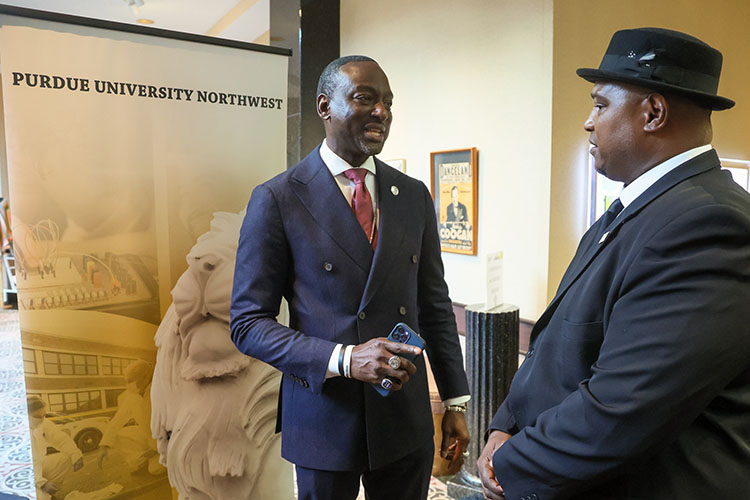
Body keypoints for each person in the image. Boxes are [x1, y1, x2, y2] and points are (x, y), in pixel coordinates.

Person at [478, 27, 750, 500]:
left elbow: (623, 408)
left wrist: (511, 462)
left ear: (653, 113)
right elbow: (556, 343)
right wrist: (506, 424)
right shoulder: (637, 208)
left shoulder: (708, 223)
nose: (588, 122)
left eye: (601, 105)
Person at [230, 55, 470, 500]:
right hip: (325, 417)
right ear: (325, 106)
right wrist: (345, 358)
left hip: (403, 417)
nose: (382, 112)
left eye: (388, 103)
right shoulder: (278, 198)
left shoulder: (413, 195)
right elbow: (247, 325)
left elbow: (434, 305)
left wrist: (455, 401)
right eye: (365, 99)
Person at [97, 360, 163, 476]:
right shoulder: (132, 396)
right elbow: (117, 420)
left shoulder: (162, 391)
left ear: (145, 377)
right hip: (150, 439)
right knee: (119, 434)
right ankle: (142, 462)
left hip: (167, 444)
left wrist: (156, 449)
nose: (127, 385)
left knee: (155, 470)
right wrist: (104, 446)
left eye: (130, 380)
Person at [27, 395, 84, 500]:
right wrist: (42, 483)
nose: (41, 419)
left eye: (43, 415)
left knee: (65, 458)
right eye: (36, 416)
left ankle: (48, 493)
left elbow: (60, 438)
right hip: (17, 477)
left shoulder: (42, 422)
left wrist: (75, 454)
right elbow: (24, 466)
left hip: (38, 467)